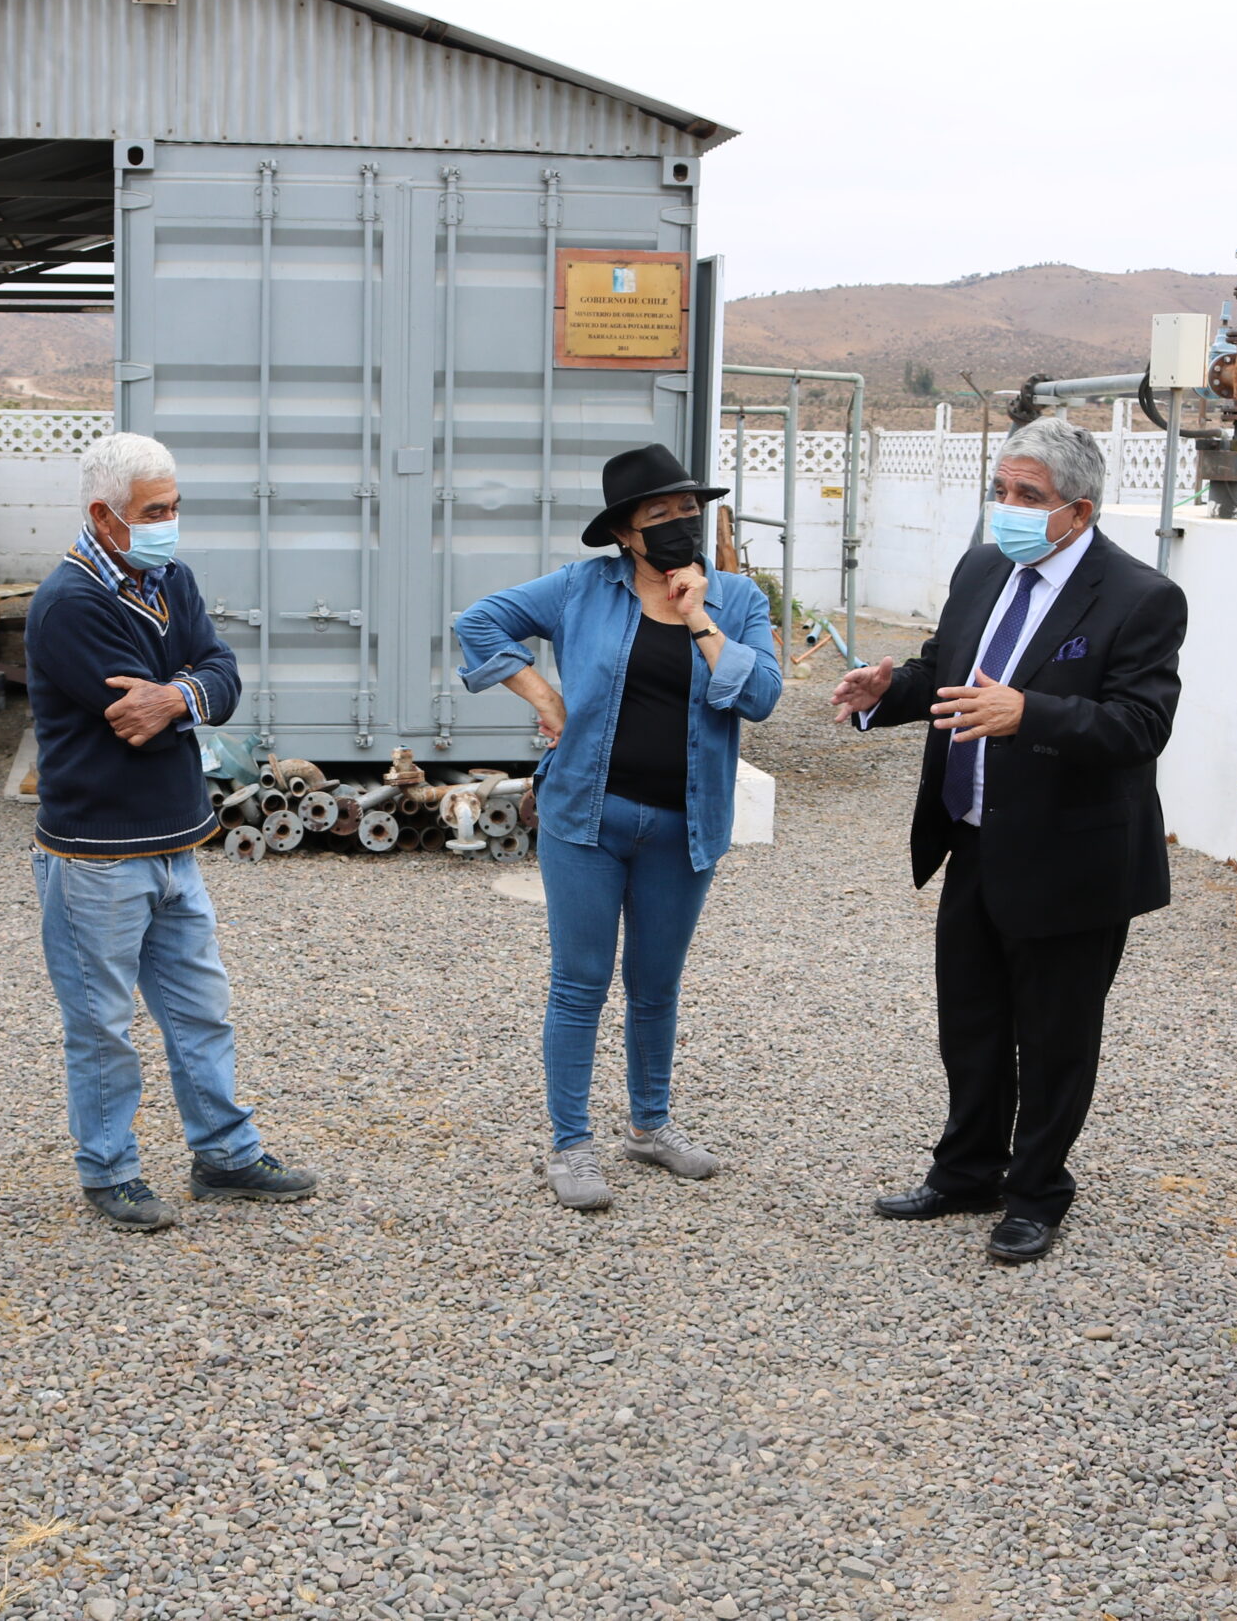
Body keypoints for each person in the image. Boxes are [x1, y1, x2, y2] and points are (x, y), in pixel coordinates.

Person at [835, 417, 1186, 1265]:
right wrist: (893, 687)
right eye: (1001, 490)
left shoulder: (1140, 596)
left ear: (1079, 510)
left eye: (1028, 496)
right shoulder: (984, 566)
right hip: (976, 838)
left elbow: (1142, 724)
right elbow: (947, 670)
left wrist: (1031, 713)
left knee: (1056, 1036)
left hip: (1074, 857)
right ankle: (967, 1170)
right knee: (974, 1021)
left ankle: (1036, 1192)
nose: (1008, 509)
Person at [454, 444, 782, 1211]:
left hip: (685, 824)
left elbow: (760, 694)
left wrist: (698, 615)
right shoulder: (582, 587)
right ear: (626, 535)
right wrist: (541, 694)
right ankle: (570, 1143)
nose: (677, 525)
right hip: (585, 819)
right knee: (580, 983)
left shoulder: (736, 600)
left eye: (687, 511)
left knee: (655, 985)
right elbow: (480, 622)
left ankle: (650, 1125)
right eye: (657, 515)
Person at [26, 431, 318, 1230]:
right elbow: (130, 712)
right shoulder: (69, 602)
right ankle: (109, 1168)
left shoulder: (169, 579)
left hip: (173, 843)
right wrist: (190, 691)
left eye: (174, 506)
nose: (170, 522)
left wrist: (180, 694)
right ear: (104, 515)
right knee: (102, 1025)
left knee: (201, 1009)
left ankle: (224, 1153)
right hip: (95, 856)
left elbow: (221, 675)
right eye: (155, 511)